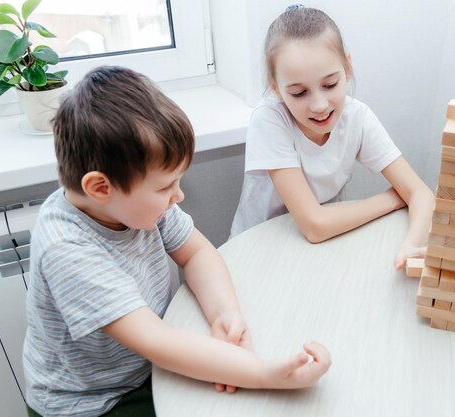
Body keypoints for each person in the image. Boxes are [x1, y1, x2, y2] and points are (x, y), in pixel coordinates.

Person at [23, 66, 331, 417]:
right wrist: (263, 374)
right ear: (100, 187)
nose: (178, 196)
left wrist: (224, 314)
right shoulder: (67, 250)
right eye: (165, 186)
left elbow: (197, 252)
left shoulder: (135, 204)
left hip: (144, 368)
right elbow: (157, 342)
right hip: (94, 402)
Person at [230, 6, 435, 269]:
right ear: (276, 88)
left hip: (323, 247)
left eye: (330, 85)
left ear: (347, 67)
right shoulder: (269, 120)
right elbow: (314, 225)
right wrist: (392, 199)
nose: (319, 105)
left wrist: (411, 247)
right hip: (258, 251)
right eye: (298, 92)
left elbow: (421, 194)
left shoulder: (356, 116)